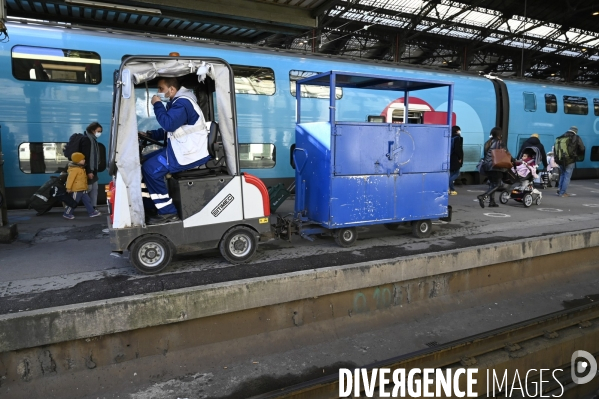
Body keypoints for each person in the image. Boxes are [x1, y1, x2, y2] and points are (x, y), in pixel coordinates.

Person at [140, 77, 211, 225]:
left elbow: (169, 124)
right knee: (144, 161)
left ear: (171, 90)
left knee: (150, 169)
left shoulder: (182, 103)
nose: (159, 92)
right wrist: (151, 135)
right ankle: (152, 205)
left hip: (189, 153)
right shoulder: (179, 103)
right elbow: (173, 131)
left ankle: (168, 213)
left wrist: (157, 104)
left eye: (161, 89)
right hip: (182, 149)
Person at [477, 127, 511, 208]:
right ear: (500, 134)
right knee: (498, 185)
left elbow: (486, 155)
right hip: (496, 166)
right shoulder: (500, 142)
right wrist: (513, 160)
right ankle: (483, 196)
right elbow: (506, 153)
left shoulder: (488, 142)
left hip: (486, 166)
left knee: (492, 184)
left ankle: (492, 202)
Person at [63, 152, 101, 220]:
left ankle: (91, 212)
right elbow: (70, 179)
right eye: (82, 159)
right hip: (76, 190)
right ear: (78, 161)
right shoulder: (74, 169)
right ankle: (67, 213)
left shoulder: (81, 168)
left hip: (82, 189)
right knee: (73, 202)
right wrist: (68, 188)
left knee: (87, 200)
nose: (84, 160)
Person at [555, 126, 585, 197]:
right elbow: (582, 148)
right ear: (575, 131)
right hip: (570, 160)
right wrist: (577, 155)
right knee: (567, 176)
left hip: (560, 159)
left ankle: (559, 190)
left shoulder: (561, 137)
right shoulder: (576, 137)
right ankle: (563, 193)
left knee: (562, 174)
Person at [81, 122, 103, 208]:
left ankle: (93, 207)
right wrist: (89, 171)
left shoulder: (93, 140)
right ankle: (71, 205)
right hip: (89, 170)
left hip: (93, 170)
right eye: (98, 131)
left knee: (94, 189)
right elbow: (86, 157)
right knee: (88, 189)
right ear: (92, 130)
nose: (99, 133)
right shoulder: (87, 140)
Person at [449, 125, 463, 195]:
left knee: (451, 173)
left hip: (450, 157)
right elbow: (458, 150)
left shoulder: (450, 137)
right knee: (457, 173)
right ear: (457, 131)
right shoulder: (458, 138)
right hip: (455, 158)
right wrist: (460, 158)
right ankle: (448, 186)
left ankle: (451, 189)